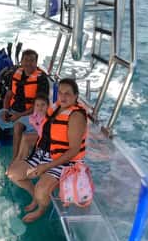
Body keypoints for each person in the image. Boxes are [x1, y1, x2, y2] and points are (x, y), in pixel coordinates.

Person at [6, 78, 87, 223]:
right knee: (13, 173)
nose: (63, 96)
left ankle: (41, 209)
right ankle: (35, 197)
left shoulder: (76, 116)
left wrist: (46, 167)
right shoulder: (56, 107)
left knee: (41, 190)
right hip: (45, 153)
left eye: (68, 93)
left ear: (76, 96)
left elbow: (74, 150)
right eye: (61, 92)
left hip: (65, 161)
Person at [0, 49, 49, 160]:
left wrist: (19, 116)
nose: (29, 63)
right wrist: (5, 111)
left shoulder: (41, 79)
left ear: (36, 62)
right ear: (21, 61)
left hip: (32, 113)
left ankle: (15, 160)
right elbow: (9, 95)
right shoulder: (16, 73)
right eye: (26, 60)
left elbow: (40, 105)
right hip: (13, 111)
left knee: (17, 126)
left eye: (32, 60)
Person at [13, 93, 49, 162]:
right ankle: (18, 160)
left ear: (48, 106)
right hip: (40, 137)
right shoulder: (34, 116)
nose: (40, 107)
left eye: (43, 105)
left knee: (26, 138)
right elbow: (32, 119)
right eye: (37, 105)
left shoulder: (48, 117)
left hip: (45, 139)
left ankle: (20, 161)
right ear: (34, 107)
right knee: (24, 137)